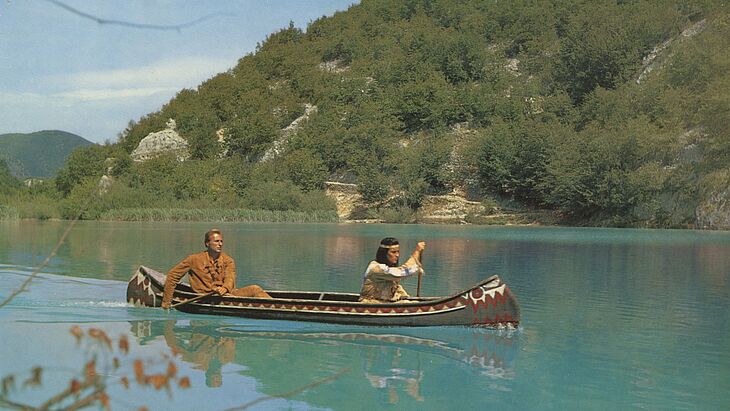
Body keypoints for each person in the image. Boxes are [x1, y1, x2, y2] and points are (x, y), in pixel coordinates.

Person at [161, 229, 271, 309]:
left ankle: (277, 306)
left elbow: (230, 277)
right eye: (216, 241)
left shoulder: (228, 260)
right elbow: (172, 276)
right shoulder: (193, 259)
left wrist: (225, 288)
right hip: (204, 297)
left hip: (227, 295)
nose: (220, 244)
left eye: (221, 241)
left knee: (255, 289)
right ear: (207, 243)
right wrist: (166, 301)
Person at [359, 237, 426, 303]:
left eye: (398, 252)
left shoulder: (388, 267)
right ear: (384, 253)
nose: (397, 255)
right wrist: (417, 251)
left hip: (384, 302)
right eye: (393, 252)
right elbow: (401, 272)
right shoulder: (376, 268)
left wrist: (417, 252)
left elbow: (403, 270)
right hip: (371, 302)